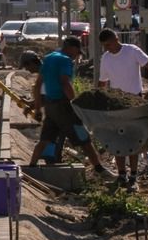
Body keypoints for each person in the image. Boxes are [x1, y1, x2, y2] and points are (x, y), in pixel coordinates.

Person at [26, 37, 113, 180]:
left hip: (50, 106)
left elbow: (38, 84)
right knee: (84, 139)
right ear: (71, 47)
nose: (76, 55)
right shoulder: (65, 60)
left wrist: (37, 109)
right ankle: (99, 169)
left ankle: (31, 168)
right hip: (64, 106)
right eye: (77, 52)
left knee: (45, 139)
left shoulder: (48, 58)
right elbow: (65, 83)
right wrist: (76, 103)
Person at [97, 28, 148, 189]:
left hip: (134, 100)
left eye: (109, 44)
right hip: (116, 103)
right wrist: (101, 101)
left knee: (133, 140)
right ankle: (122, 174)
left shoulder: (131, 51)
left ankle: (133, 176)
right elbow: (102, 82)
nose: (107, 48)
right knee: (117, 140)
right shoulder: (106, 58)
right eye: (104, 46)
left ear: (116, 39)